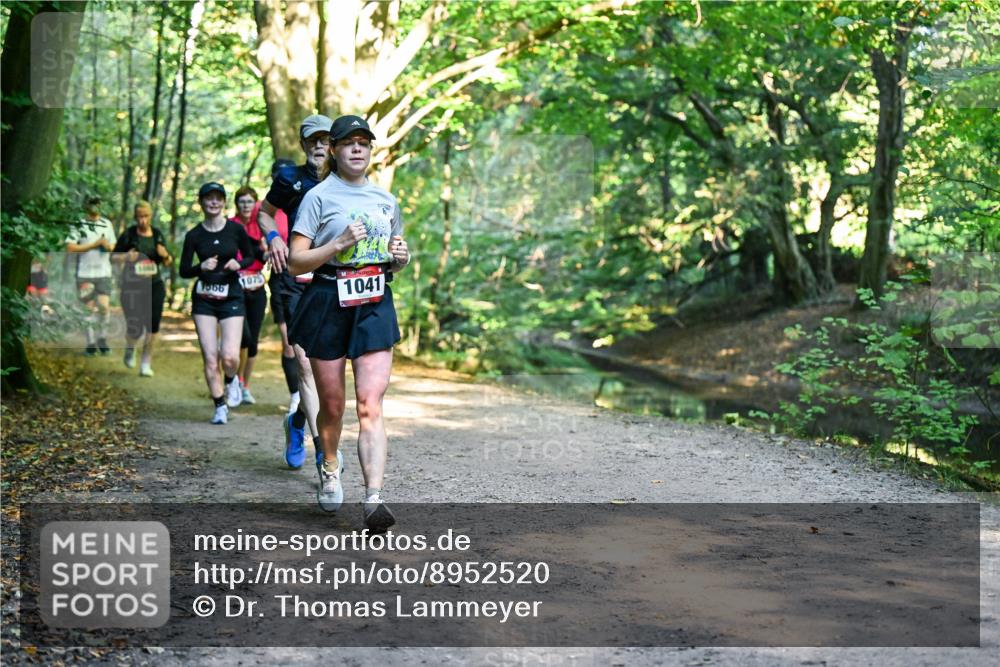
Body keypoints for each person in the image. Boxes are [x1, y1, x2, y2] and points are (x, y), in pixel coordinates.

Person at [288, 114, 410, 532]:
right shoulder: (318, 197)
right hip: (327, 299)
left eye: (364, 142)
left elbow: (395, 251)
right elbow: (295, 259)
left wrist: (400, 257)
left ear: (370, 151)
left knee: (370, 404)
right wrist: (337, 244)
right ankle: (329, 462)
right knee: (334, 405)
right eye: (349, 143)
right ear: (335, 151)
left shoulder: (385, 199)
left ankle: (374, 500)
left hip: (374, 299)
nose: (357, 149)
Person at [255, 116, 331, 471]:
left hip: (330, 282)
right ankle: (323, 453)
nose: (319, 146)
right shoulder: (289, 179)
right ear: (303, 146)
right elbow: (265, 214)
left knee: (324, 376)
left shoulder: (345, 181)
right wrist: (272, 239)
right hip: (292, 281)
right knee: (304, 365)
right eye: (312, 140)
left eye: (326, 140)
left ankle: (298, 421)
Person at [178, 182, 258, 424]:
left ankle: (232, 379)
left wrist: (239, 264)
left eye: (218, 198)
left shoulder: (235, 230)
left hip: (231, 296)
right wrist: (199, 267)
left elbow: (251, 256)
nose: (213, 202)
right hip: (204, 299)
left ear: (224, 202)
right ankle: (220, 405)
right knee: (211, 357)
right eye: (208, 198)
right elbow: (183, 270)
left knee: (230, 356)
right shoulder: (194, 235)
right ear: (201, 202)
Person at [111, 200, 172, 376]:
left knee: (153, 326)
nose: (142, 221)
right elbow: (112, 258)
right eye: (139, 217)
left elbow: (168, 263)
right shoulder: (129, 235)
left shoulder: (158, 235)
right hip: (132, 287)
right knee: (134, 326)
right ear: (135, 217)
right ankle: (130, 348)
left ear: (150, 216)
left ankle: (146, 362)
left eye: (145, 216)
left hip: (154, 285)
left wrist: (165, 255)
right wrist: (125, 257)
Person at [65, 195, 117, 355]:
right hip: (85, 273)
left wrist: (107, 246)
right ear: (86, 206)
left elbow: (113, 245)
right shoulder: (79, 224)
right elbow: (70, 247)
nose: (95, 207)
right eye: (92, 204)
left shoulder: (106, 224)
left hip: (103, 272)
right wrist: (93, 245)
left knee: (104, 306)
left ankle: (102, 338)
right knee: (88, 309)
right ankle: (90, 343)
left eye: (97, 204)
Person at [230, 186, 268, 404]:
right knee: (239, 338)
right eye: (242, 202)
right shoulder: (231, 225)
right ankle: (231, 380)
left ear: (255, 204)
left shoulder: (260, 227)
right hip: (235, 288)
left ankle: (244, 385)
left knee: (252, 340)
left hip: (256, 286)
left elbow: (266, 255)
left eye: (249, 202)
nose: (246, 206)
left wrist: (267, 250)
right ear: (236, 204)